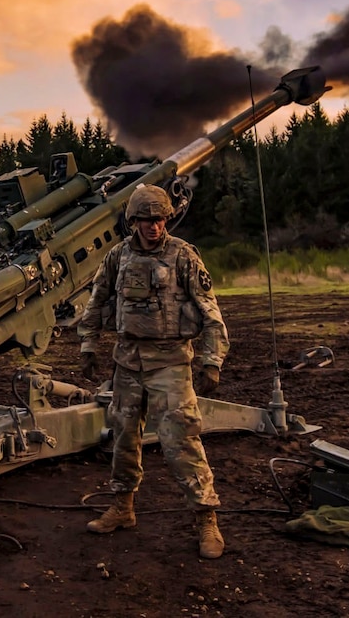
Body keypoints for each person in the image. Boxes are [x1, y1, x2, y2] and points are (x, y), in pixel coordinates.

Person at [78, 184, 230, 559]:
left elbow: (210, 311)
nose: (153, 227)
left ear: (167, 220)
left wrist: (212, 359)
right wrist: (87, 345)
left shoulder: (183, 257)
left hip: (170, 363)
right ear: (133, 222)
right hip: (128, 362)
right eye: (145, 220)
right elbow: (97, 301)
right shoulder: (118, 257)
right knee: (123, 438)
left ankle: (206, 518)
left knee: (181, 440)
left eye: (159, 220)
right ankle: (123, 507)